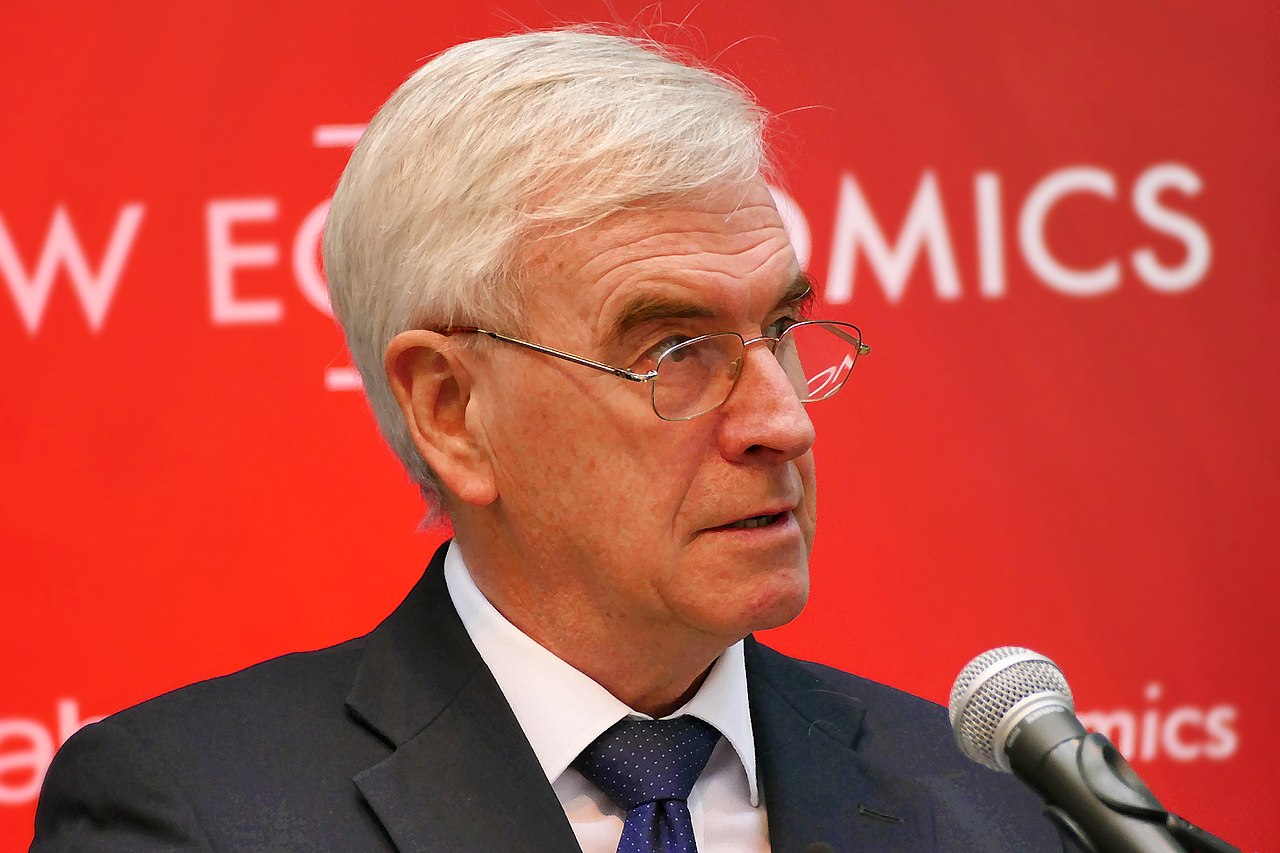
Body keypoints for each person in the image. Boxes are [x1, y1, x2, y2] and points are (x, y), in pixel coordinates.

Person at [33, 28, 1074, 852]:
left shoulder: (997, 803)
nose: (781, 420)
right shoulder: (196, 813)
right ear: (451, 410)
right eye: (675, 349)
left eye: (782, 333)